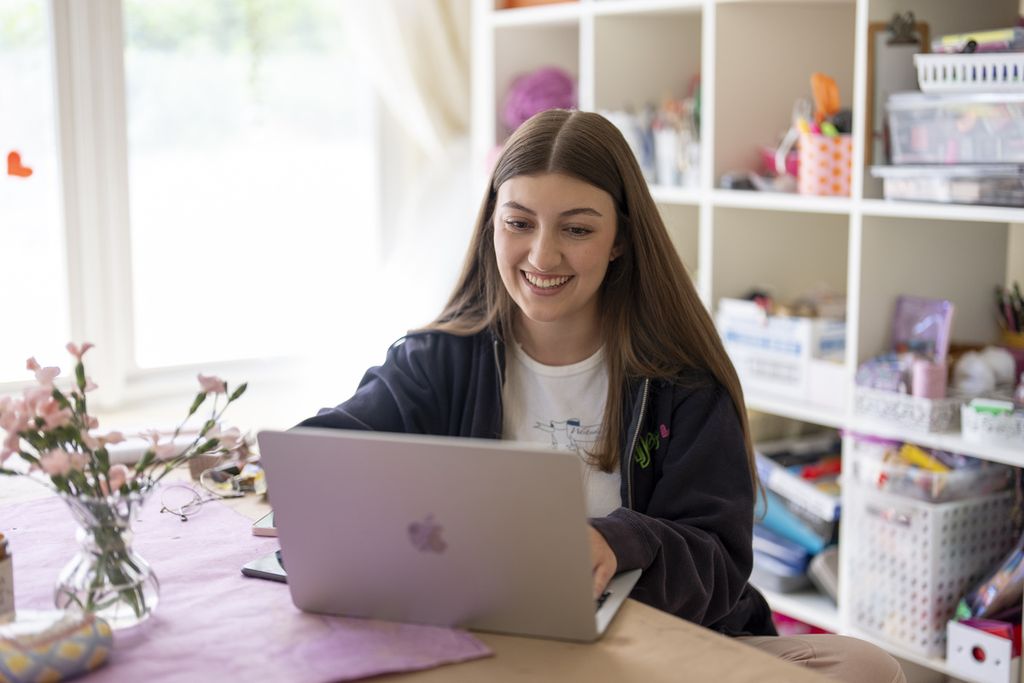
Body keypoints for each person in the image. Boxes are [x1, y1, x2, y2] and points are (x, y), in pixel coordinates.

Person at [299, 109, 905, 683]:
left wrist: (618, 542)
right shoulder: (440, 359)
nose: (542, 255)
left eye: (578, 229)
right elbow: (332, 448)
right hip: (490, 639)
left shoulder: (684, 383)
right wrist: (301, 464)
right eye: (519, 223)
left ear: (619, 239)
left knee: (867, 668)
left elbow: (719, 564)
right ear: (492, 225)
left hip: (657, 642)